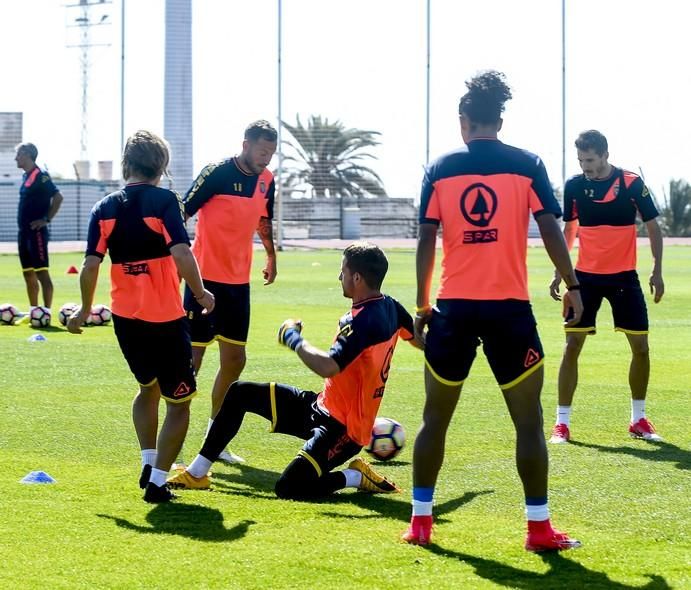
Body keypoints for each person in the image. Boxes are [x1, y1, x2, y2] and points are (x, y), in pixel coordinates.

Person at [404, 71, 584, 551]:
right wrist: (571, 285)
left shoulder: (439, 168)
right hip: (509, 312)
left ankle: (420, 522)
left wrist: (423, 304)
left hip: (454, 310)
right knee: (528, 424)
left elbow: (425, 240)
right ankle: (538, 529)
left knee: (433, 420)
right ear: (499, 121)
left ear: (464, 122)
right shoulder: (528, 164)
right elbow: (550, 229)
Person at [167, 242, 421, 500]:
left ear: (357, 277)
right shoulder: (392, 307)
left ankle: (354, 476)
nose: (339, 276)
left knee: (290, 488)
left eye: (342, 271)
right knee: (240, 393)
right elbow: (418, 340)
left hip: (344, 430)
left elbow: (328, 366)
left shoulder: (365, 320)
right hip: (321, 406)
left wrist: (293, 338)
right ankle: (197, 473)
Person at [67, 130, 215, 503]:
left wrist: (84, 310)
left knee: (146, 388)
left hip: (125, 319)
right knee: (179, 403)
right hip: (164, 318)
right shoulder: (166, 201)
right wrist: (200, 293)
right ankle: (159, 481)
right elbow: (182, 253)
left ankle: (149, 461)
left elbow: (89, 265)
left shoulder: (103, 208)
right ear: (162, 168)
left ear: (126, 165)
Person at [549, 130, 665, 444]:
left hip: (625, 278)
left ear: (604, 155)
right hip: (584, 279)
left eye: (589, 159)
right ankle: (562, 424)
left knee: (641, 348)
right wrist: (561, 272)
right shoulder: (574, 186)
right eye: (580, 160)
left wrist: (656, 270)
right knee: (572, 346)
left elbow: (653, 225)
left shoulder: (631, 184)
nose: (585, 166)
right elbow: (570, 228)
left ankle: (638, 419)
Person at [182, 119, 278, 464]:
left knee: (235, 361)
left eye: (271, 152)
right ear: (246, 144)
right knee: (190, 364)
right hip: (203, 281)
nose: (266, 158)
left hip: (239, 285)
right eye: (262, 151)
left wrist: (270, 254)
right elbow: (182, 212)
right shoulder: (216, 173)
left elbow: (264, 218)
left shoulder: (267, 180)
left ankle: (214, 441)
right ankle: (172, 445)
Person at [15, 142, 64, 317]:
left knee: (42, 273)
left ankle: (46, 312)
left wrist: (46, 219)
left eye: (18, 154)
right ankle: (34, 312)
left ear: (28, 155)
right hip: (23, 233)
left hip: (36, 234)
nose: (15, 158)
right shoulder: (24, 176)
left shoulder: (41, 176)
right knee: (28, 274)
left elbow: (58, 197)